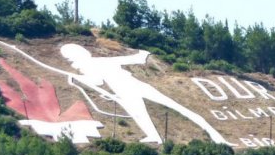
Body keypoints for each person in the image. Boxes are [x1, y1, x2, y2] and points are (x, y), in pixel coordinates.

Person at [60, 43, 234, 145]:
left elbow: (99, 79)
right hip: (126, 90)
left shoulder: (95, 63)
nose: (70, 60)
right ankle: (156, 137)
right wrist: (76, 77)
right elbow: (99, 81)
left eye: (70, 57)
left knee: (175, 108)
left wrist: (77, 77)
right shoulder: (94, 63)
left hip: (129, 88)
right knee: (148, 116)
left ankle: (217, 138)